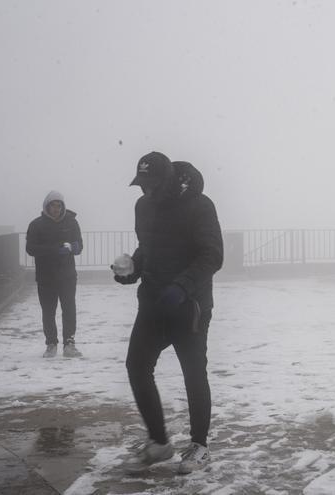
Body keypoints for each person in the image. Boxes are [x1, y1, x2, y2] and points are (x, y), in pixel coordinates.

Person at [114, 151, 223, 475]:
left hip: (190, 306)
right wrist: (132, 269)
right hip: (153, 303)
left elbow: (212, 256)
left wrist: (182, 287)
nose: (145, 191)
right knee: (137, 365)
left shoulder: (199, 206)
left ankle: (199, 446)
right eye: (141, 185)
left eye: (151, 184)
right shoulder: (143, 207)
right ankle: (160, 443)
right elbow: (147, 248)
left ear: (169, 180)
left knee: (193, 372)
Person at [25, 191, 84, 358]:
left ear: (62, 206)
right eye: (53, 205)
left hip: (67, 275)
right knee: (48, 311)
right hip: (46, 276)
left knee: (69, 309)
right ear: (47, 206)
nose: (56, 209)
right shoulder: (36, 225)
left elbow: (79, 245)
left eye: (59, 205)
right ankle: (51, 343)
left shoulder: (71, 222)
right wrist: (54, 251)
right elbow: (30, 249)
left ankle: (69, 344)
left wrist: (74, 247)